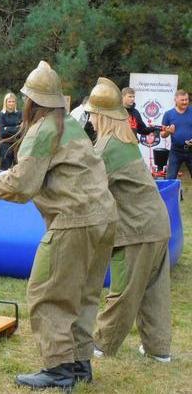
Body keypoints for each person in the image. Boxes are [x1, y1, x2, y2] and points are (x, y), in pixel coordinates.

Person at [0, 61, 117, 390]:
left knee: (47, 293)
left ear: (30, 100)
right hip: (104, 219)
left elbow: (23, 184)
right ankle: (80, 363)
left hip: (75, 221)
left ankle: (58, 370)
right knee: (82, 294)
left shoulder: (42, 130)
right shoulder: (69, 124)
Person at [83, 77, 172, 363]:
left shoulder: (106, 146)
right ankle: (159, 350)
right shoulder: (127, 141)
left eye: (92, 115)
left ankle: (101, 345)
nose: (91, 121)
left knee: (123, 291)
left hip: (136, 229)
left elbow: (86, 187)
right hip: (158, 224)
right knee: (154, 293)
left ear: (100, 116)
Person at [160, 89, 192, 179]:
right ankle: (170, 193)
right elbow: (162, 134)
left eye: (186, 99)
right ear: (176, 100)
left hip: (191, 150)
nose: (185, 102)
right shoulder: (168, 114)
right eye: (182, 100)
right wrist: (168, 131)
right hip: (176, 151)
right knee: (170, 178)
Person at [0, 92, 22, 169]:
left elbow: (22, 130)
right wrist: (16, 128)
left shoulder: (20, 114)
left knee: (18, 169)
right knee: (4, 170)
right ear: (5, 102)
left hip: (18, 144)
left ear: (15, 103)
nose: (11, 103)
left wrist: (7, 128)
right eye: (9, 101)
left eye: (13, 101)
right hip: (5, 145)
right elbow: (1, 133)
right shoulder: (1, 115)